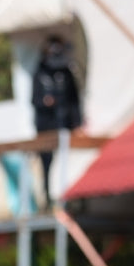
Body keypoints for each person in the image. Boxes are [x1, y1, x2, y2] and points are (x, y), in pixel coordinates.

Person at [31, 35, 82, 208]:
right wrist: (45, 102)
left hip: (64, 124)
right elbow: (34, 100)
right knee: (47, 162)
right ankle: (48, 197)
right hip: (46, 126)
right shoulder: (39, 72)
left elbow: (74, 100)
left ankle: (71, 197)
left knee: (69, 161)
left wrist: (77, 123)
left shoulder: (66, 73)